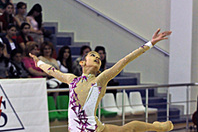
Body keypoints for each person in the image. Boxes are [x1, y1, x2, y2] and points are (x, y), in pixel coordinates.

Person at [30, 29, 173, 132]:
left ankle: (157, 127)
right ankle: (157, 127)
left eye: (98, 58)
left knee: (128, 129)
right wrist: (39, 63)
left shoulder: (99, 80)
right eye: (92, 55)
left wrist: (150, 44)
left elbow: (124, 61)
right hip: (80, 128)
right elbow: (52, 71)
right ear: (82, 62)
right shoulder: (72, 80)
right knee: (126, 129)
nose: (97, 57)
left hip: (93, 129)